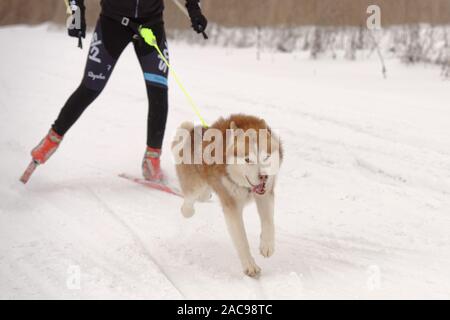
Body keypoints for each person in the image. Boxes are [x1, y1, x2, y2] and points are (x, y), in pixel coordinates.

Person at [30, 0, 208, 182]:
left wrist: (194, 9)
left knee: (158, 92)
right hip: (113, 24)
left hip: (151, 24)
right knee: (90, 88)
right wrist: (75, 13)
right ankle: (50, 141)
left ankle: (152, 160)